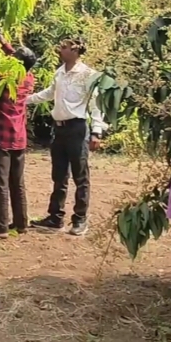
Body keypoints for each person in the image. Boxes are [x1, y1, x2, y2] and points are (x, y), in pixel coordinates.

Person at [26, 38, 106, 237]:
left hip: (77, 128)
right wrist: (25, 100)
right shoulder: (60, 72)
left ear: (76, 50)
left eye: (65, 47)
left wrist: (97, 131)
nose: (60, 50)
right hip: (60, 128)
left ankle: (80, 219)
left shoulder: (88, 74)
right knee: (59, 175)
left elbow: (96, 104)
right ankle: (55, 217)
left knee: (80, 175)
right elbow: (50, 93)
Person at [0, 28, 37, 239]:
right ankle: (21, 223)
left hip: (1, 138)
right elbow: (18, 60)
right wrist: (3, 42)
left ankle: (1, 226)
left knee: (1, 183)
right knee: (17, 182)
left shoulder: (3, 80)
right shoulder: (28, 78)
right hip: (19, 138)